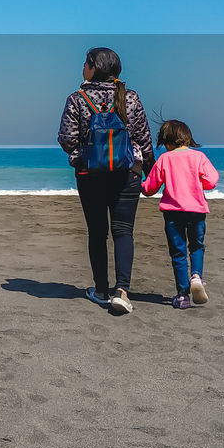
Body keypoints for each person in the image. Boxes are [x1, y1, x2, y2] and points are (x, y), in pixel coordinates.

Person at [58, 47, 155, 315]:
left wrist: (81, 155)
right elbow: (144, 138)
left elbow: (67, 138)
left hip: (90, 175)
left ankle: (101, 290)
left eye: (85, 63)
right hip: (127, 174)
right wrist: (148, 170)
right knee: (124, 231)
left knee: (97, 233)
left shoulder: (77, 99)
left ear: (94, 68)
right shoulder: (130, 97)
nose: (82, 67)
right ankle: (122, 291)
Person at [141, 119, 219, 309]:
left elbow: (150, 188)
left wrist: (138, 184)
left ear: (166, 141)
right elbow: (212, 180)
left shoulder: (165, 159)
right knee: (196, 246)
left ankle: (183, 295)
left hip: (173, 213)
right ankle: (196, 277)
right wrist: (200, 183)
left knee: (178, 253)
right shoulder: (199, 157)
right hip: (197, 211)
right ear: (187, 138)